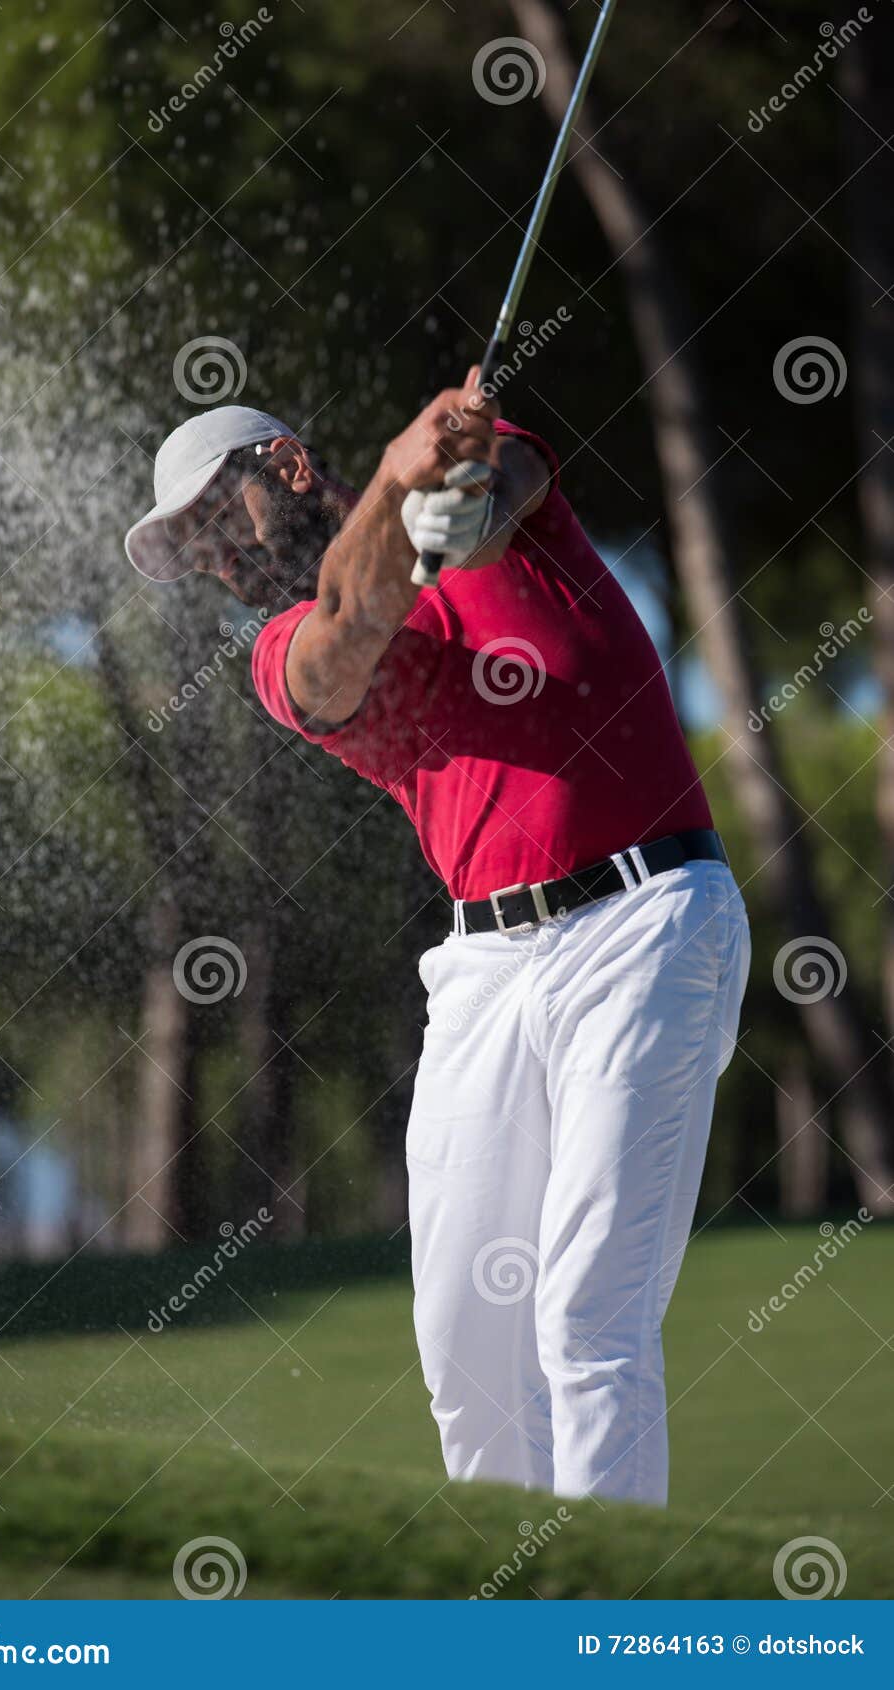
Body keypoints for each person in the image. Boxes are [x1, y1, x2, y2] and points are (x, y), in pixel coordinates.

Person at [125, 373, 750, 1505]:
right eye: (194, 552)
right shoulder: (283, 653)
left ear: (291, 467)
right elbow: (346, 635)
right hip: (481, 972)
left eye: (219, 518)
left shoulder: (482, 475)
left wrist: (456, 487)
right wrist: (405, 507)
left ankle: (598, 1636)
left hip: (646, 923)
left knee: (586, 1315)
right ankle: (513, 1631)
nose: (217, 559)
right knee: (464, 1348)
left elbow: (507, 477)